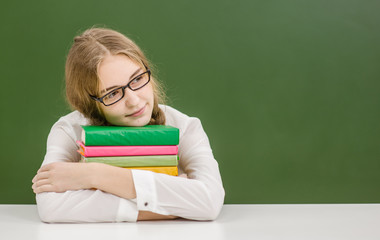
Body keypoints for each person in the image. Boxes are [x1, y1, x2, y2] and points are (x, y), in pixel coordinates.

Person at [31, 27, 225, 222]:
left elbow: (209, 201)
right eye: (112, 93)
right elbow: (51, 207)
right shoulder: (69, 131)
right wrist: (166, 207)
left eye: (138, 78)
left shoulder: (184, 126)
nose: (134, 100)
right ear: (90, 104)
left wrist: (94, 174)